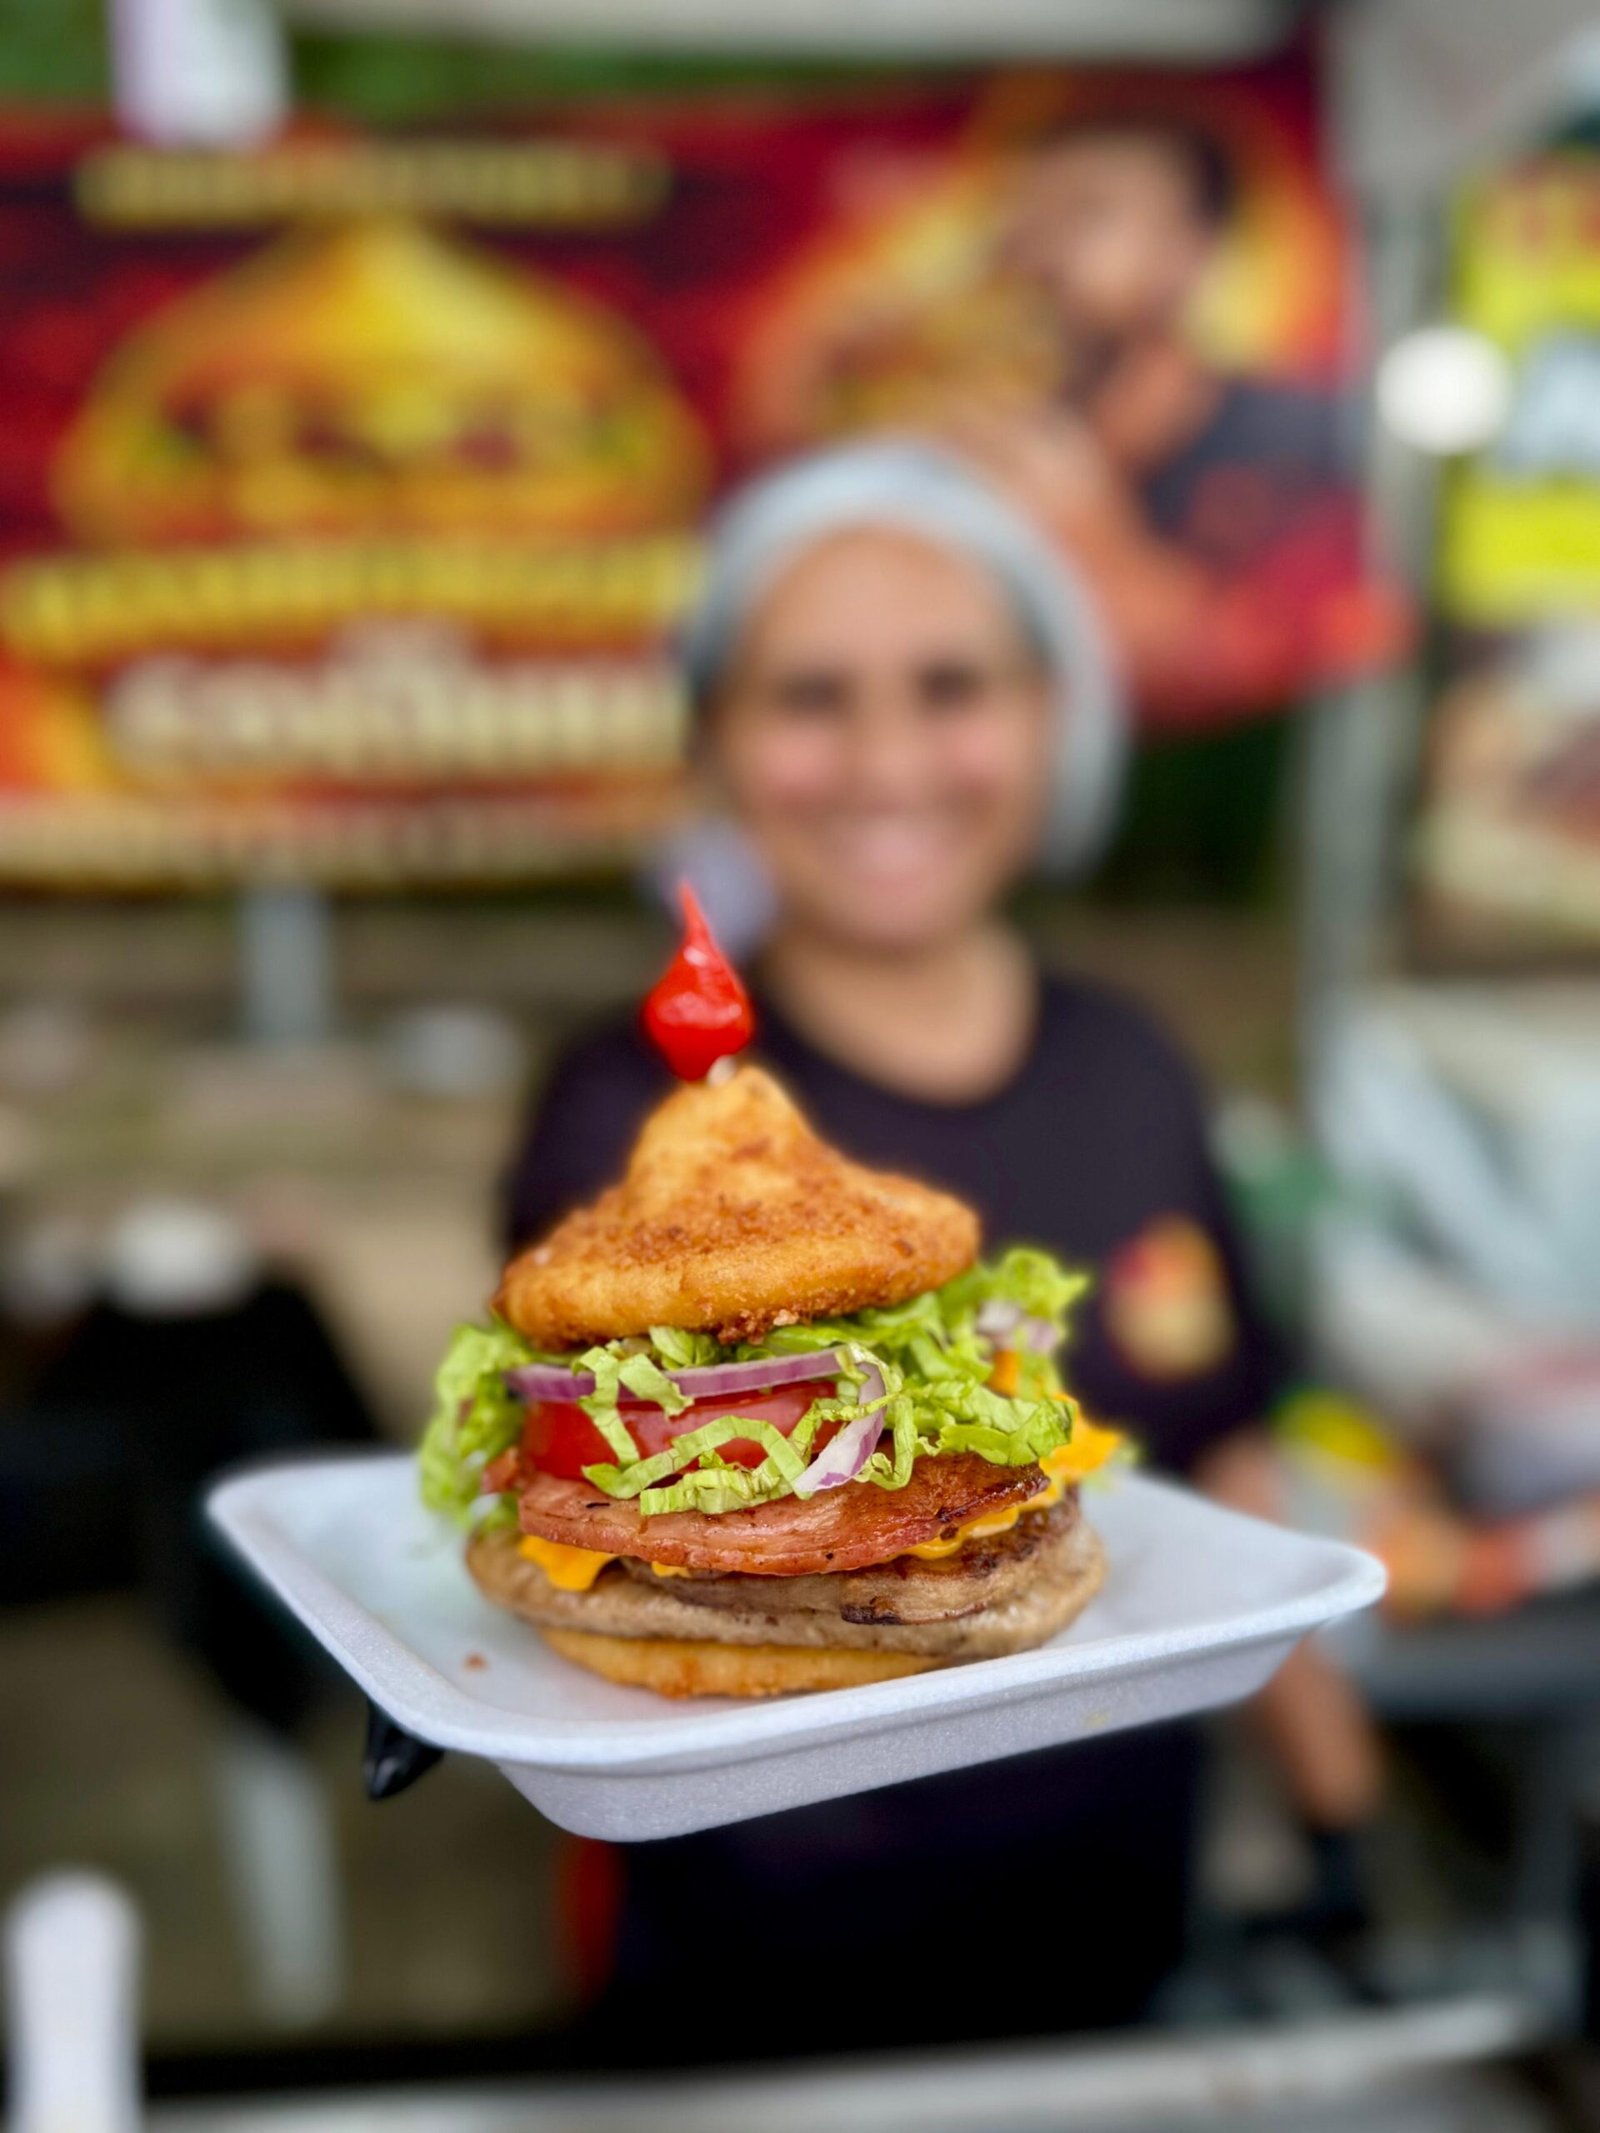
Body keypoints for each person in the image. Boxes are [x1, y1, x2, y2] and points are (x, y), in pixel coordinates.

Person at [504, 442, 1380, 2054]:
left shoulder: (1135, 1064)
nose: (886, 759)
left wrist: (1342, 1825)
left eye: (951, 684)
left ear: (1053, 719)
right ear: (717, 739)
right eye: (811, 696)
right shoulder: (643, 1106)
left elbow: (1228, 1460)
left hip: (1116, 1913)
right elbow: (588, 1511)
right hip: (750, 1957)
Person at [931, 114, 1377, 719]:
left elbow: (1327, 650)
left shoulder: (1313, 443)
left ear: (1189, 254)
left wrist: (1103, 551)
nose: (1036, 252)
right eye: (1024, 213)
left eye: (1086, 213)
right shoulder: (943, 441)